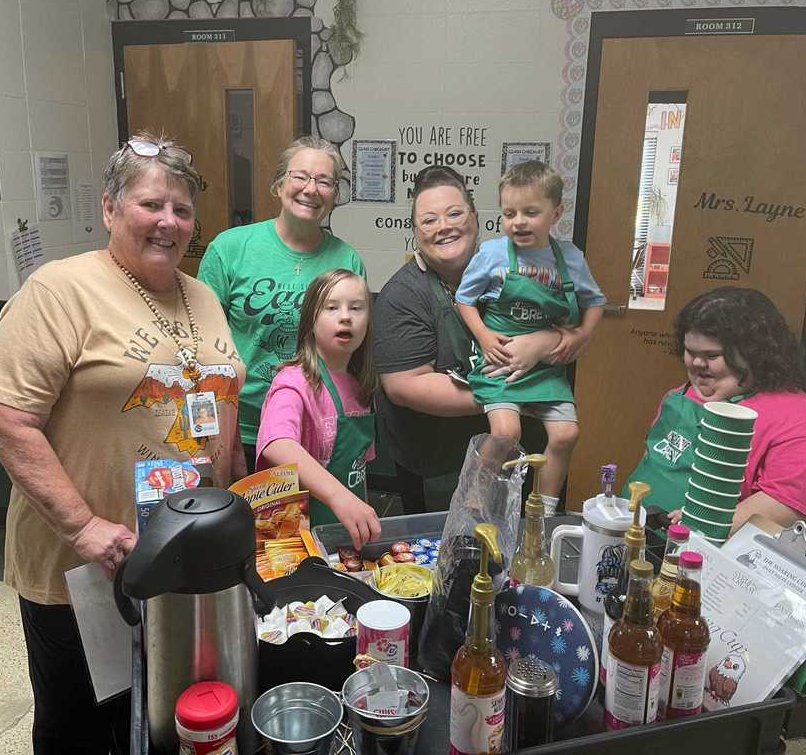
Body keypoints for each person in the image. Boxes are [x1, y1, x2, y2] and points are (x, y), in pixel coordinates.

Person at [0, 133, 246, 754]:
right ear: (109, 208)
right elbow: (6, 417)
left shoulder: (202, 295)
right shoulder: (59, 290)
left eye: (181, 209)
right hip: (88, 566)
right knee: (81, 726)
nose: (168, 221)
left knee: (160, 717)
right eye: (151, 204)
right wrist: (83, 526)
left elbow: (219, 402)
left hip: (182, 556)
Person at [373, 166, 565, 513]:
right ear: (415, 232)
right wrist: (507, 396)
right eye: (429, 220)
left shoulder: (514, 270)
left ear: (475, 218)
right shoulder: (403, 295)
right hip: (440, 464)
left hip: (520, 454)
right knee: (452, 543)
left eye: (454, 213)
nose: (444, 226)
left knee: (518, 535)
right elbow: (404, 385)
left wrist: (542, 342)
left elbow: (564, 328)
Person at [198, 136, 366, 470]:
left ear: (334, 195)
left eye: (324, 181)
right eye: (300, 176)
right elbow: (200, 345)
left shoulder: (346, 260)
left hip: (316, 427)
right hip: (239, 428)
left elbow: (355, 355)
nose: (311, 189)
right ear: (278, 185)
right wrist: (212, 428)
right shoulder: (230, 249)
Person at [626, 287, 806, 532]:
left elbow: (780, 510)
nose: (697, 364)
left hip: (699, 548)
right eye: (690, 352)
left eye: (712, 355)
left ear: (755, 354)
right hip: (634, 531)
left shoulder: (803, 428)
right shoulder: (685, 394)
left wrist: (698, 523)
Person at [455, 161, 605, 500]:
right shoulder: (493, 253)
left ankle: (545, 509)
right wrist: (483, 336)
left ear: (556, 213)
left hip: (546, 367)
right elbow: (464, 299)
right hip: (501, 361)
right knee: (506, 432)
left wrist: (581, 336)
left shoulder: (569, 258)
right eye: (509, 214)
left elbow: (595, 302)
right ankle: (474, 494)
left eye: (531, 212)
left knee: (566, 435)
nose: (518, 221)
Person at [256, 269, 382, 548]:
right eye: (331, 307)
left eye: (356, 308)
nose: (345, 316)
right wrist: (338, 496)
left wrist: (360, 510)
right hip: (298, 542)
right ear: (310, 322)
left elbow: (357, 473)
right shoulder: (293, 382)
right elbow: (276, 443)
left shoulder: (361, 386)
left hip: (344, 538)